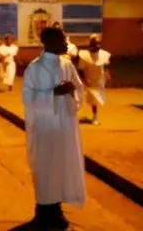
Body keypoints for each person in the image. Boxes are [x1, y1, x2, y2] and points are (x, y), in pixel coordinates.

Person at [22, 27, 85, 229]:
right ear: (50, 42)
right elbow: (28, 99)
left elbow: (79, 88)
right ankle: (43, 213)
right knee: (46, 167)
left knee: (61, 166)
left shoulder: (67, 65)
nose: (67, 43)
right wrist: (53, 93)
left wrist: (71, 91)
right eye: (63, 40)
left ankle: (56, 210)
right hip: (45, 128)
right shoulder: (35, 68)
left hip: (65, 125)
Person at [78, 34, 111, 125]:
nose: (97, 46)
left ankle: (95, 116)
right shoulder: (85, 56)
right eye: (95, 43)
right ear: (91, 44)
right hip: (90, 79)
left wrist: (107, 73)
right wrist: (84, 80)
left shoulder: (104, 54)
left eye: (98, 43)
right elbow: (80, 70)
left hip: (100, 79)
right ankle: (94, 116)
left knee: (97, 98)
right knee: (93, 99)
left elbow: (106, 65)